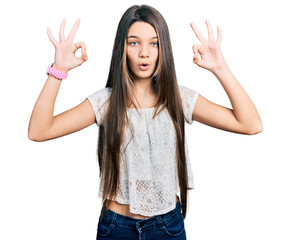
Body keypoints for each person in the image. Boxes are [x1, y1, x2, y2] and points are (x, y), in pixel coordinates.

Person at [28, 4, 263, 240]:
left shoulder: (178, 98)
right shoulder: (106, 102)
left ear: (164, 49)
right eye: (134, 42)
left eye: (154, 43)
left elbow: (250, 124)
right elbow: (39, 130)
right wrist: (58, 70)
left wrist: (220, 68)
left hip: (167, 227)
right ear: (123, 48)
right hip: (116, 228)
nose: (144, 52)